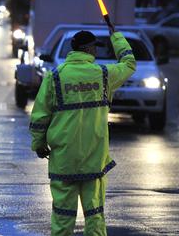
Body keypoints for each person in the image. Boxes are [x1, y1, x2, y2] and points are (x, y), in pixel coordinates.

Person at [29, 26, 136, 236]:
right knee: (94, 216)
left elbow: (40, 116)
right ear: (88, 49)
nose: (96, 52)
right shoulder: (103, 75)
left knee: (62, 217)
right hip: (93, 161)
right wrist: (116, 36)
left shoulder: (55, 77)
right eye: (94, 48)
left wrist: (39, 145)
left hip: (63, 161)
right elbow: (129, 63)